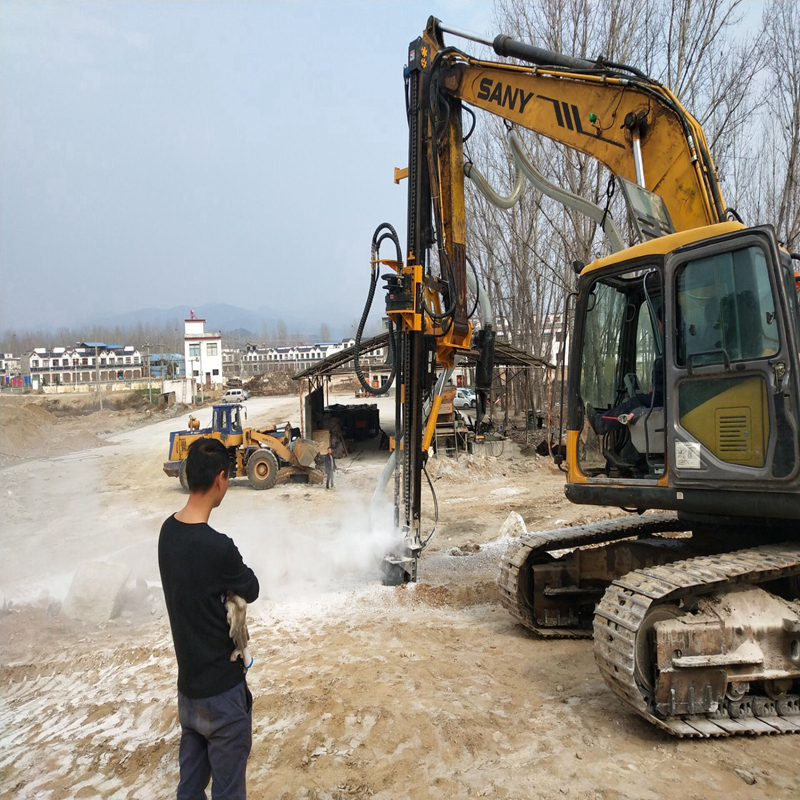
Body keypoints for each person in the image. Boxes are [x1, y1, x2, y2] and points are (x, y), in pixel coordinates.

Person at [159, 438, 259, 800]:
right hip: (223, 697)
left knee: (189, 789)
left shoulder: (167, 533)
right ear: (221, 479)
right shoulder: (218, 547)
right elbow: (252, 586)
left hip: (189, 695)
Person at [587, 355, 664, 436]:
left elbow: (659, 371)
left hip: (665, 400)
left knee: (634, 403)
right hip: (668, 399)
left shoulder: (665, 356)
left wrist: (657, 387)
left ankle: (599, 424)